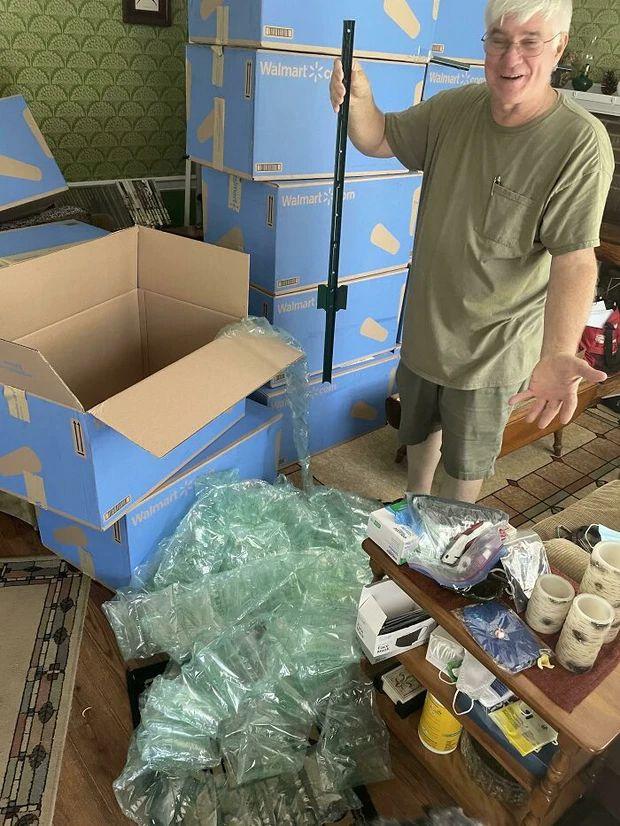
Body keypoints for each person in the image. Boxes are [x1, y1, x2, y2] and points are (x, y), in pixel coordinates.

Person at [329, 0, 613, 504]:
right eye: (499, 40)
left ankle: (448, 531)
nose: (511, 58)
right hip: (426, 329)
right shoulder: (454, 108)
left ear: (559, 47)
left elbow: (574, 259)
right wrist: (361, 102)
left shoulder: (578, 142)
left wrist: (557, 353)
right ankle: (414, 506)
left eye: (530, 42)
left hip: (491, 350)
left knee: (464, 469)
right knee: (419, 435)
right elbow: (378, 138)